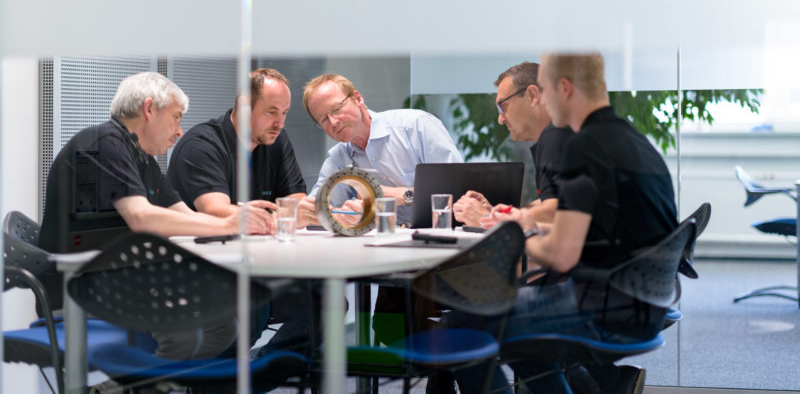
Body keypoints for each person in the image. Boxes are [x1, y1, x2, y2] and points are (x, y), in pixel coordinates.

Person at [454, 53, 678, 394]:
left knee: (464, 324)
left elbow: (560, 255)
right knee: (522, 341)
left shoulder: (580, 145)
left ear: (563, 89)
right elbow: (572, 207)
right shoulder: (628, 138)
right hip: (648, 301)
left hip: (607, 308)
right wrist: (523, 217)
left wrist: (515, 232)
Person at [39, 72, 272, 361]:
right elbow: (142, 218)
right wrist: (227, 223)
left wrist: (238, 221)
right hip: (78, 285)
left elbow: (183, 217)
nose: (180, 131)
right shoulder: (104, 142)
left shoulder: (142, 159)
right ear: (149, 109)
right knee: (187, 331)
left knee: (223, 324)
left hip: (119, 279)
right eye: (175, 117)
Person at [167, 67, 316, 355]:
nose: (280, 123)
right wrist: (280, 215)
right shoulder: (202, 145)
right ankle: (218, 381)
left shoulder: (275, 140)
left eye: (284, 113)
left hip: (258, 267)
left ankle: (255, 375)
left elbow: (298, 204)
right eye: (272, 112)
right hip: (203, 272)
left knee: (323, 302)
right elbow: (219, 213)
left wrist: (286, 214)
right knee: (252, 306)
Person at [300, 73, 463, 226]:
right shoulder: (339, 158)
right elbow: (317, 210)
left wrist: (403, 195)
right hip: (382, 241)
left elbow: (457, 188)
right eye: (323, 119)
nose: (333, 122)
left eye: (336, 109)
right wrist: (342, 216)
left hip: (439, 235)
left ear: (358, 98)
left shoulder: (415, 127)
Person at [453, 61, 572, 230]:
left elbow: (559, 211)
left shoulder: (557, 136)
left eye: (503, 106)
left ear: (532, 95)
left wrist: (487, 219)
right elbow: (549, 201)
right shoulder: (558, 134)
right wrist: (499, 214)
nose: (500, 119)